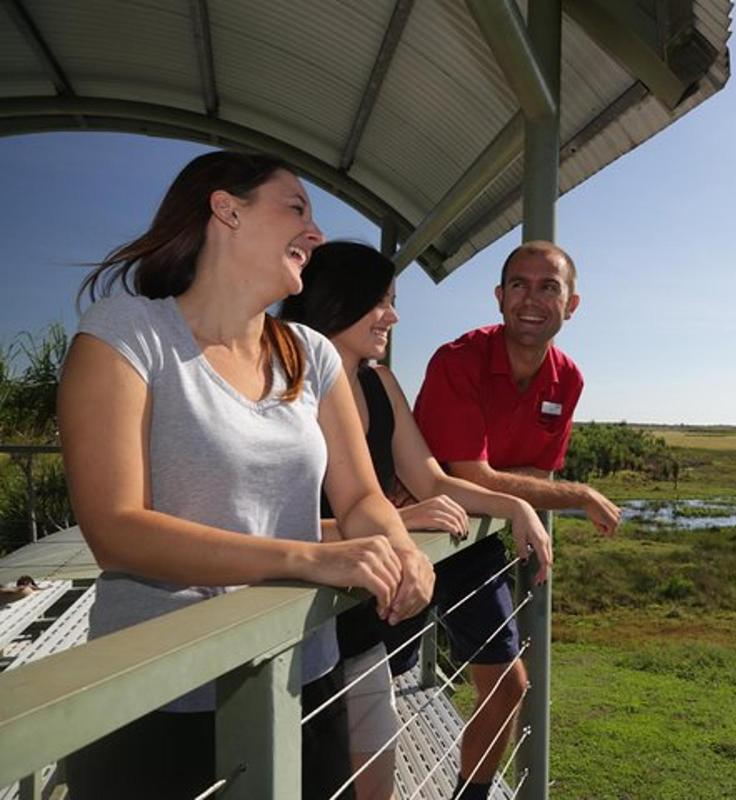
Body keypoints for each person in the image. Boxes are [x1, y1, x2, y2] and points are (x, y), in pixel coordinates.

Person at [58, 151, 434, 799]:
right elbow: (116, 531)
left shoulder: (311, 354)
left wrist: (402, 551)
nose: (316, 234)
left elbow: (362, 496)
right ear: (225, 210)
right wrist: (310, 559)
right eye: (297, 208)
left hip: (300, 678)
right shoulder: (127, 334)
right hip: (157, 695)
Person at [280, 241, 552, 800]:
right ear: (336, 300)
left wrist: (516, 506)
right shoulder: (283, 385)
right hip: (292, 631)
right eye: (380, 301)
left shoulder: (380, 384)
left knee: (376, 787)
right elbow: (265, 527)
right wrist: (401, 522)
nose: (394, 316)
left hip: (358, 633)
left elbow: (432, 479)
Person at [412, 240, 621, 799]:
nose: (533, 298)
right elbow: (471, 473)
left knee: (508, 685)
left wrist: (505, 483)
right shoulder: (457, 360)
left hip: (476, 538)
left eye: (549, 286)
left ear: (571, 304)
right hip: (412, 534)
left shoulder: (566, 379)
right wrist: (579, 492)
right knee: (375, 679)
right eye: (520, 285)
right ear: (500, 297)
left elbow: (530, 476)